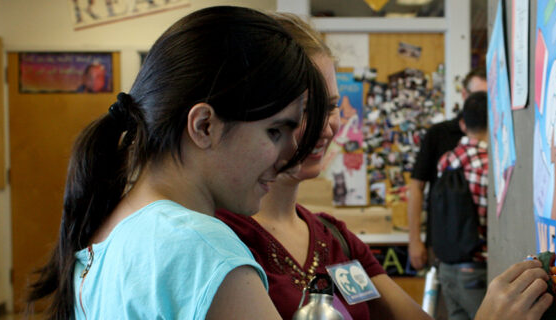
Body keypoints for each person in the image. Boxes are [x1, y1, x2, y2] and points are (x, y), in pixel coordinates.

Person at [217, 14, 551, 320]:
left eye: (331, 107)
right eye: (305, 110)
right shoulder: (219, 241)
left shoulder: (335, 239)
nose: (326, 127)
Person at [26, 7, 332, 319]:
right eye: (274, 131)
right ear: (204, 126)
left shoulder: (109, 224)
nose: (290, 153)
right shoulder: (203, 250)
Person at [408, 68, 487, 271]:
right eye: (477, 95)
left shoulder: (501, 135)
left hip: (484, 251)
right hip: (443, 243)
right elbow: (416, 187)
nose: (483, 102)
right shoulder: (439, 134)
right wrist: (415, 240)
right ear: (464, 95)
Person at [431, 92, 490, 320]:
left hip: (447, 267)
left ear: (463, 123)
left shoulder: (447, 160)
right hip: (477, 266)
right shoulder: (488, 162)